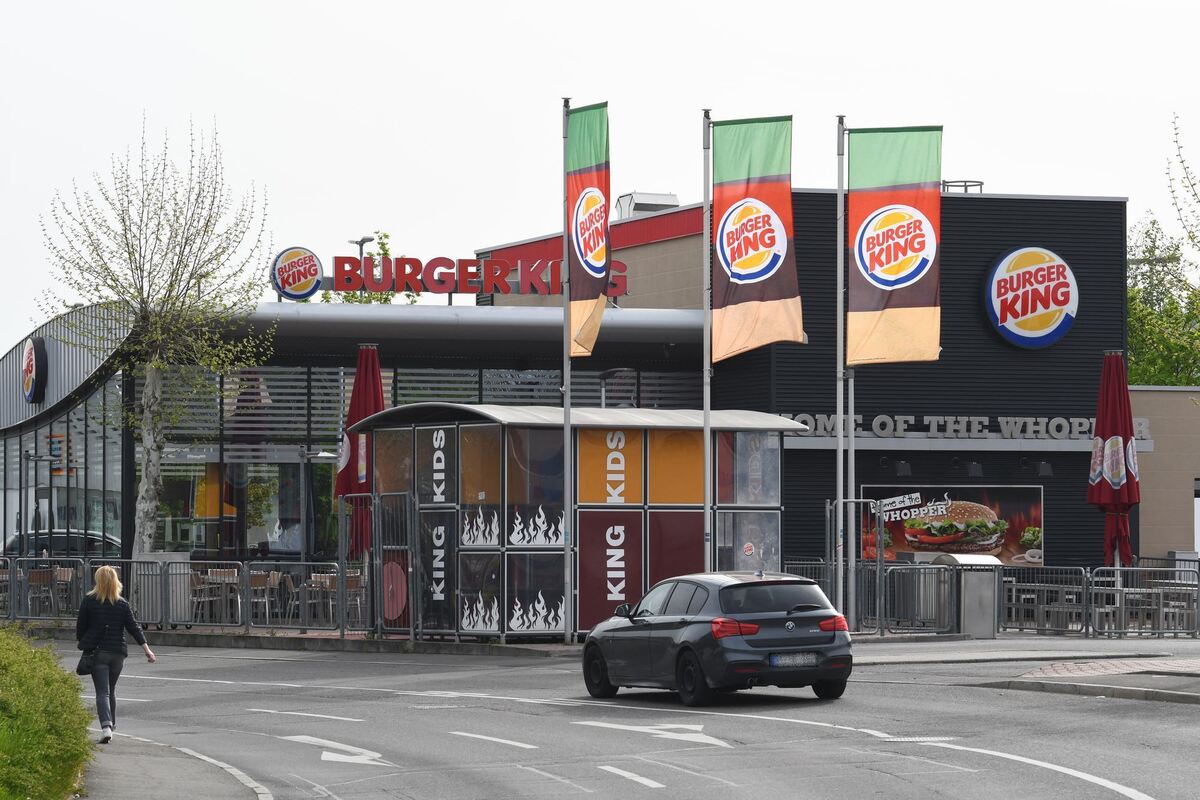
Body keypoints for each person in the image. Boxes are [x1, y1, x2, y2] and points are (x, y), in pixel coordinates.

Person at [75, 565, 156, 743]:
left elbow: (80, 628)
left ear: (98, 581)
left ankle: (106, 727)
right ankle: (112, 725)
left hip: (98, 652)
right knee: (111, 691)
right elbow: (134, 627)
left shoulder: (89, 601)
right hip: (118, 652)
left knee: (101, 692)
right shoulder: (122, 603)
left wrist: (85, 641)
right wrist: (147, 650)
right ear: (115, 581)